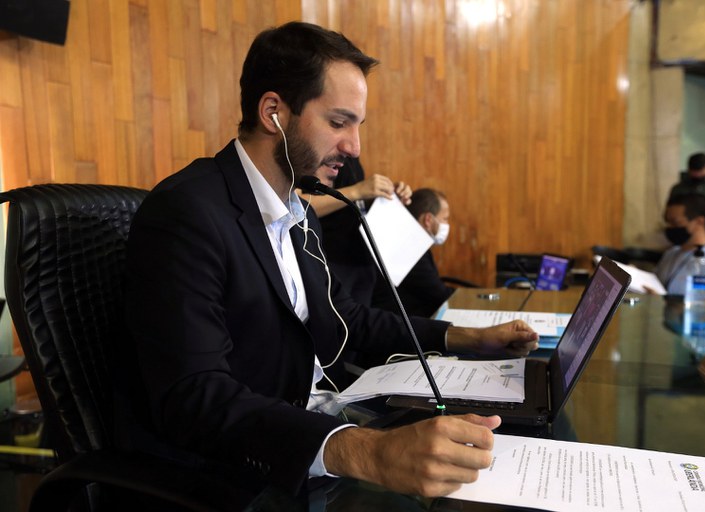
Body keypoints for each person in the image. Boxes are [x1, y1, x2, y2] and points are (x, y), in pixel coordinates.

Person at [122, 21, 539, 498]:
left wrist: (469, 338)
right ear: (274, 112)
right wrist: (370, 452)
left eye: (357, 126)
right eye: (339, 123)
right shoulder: (187, 212)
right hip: (241, 474)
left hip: (316, 431)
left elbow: (348, 317)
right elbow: (195, 396)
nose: (354, 147)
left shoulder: (298, 212)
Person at [300, 157, 412, 306]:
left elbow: (353, 204)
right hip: (332, 260)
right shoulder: (315, 154)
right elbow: (297, 204)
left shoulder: (352, 159)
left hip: (362, 259)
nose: (354, 149)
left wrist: (385, 195)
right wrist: (357, 190)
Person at [372, 188, 455, 318]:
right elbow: (441, 296)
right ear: (428, 220)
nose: (447, 224)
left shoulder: (411, 242)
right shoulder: (409, 249)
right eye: (445, 219)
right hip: (399, 324)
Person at [655, 193, 705, 297]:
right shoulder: (670, 255)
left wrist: (665, 301)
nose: (670, 227)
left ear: (699, 222)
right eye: (668, 222)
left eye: (675, 223)